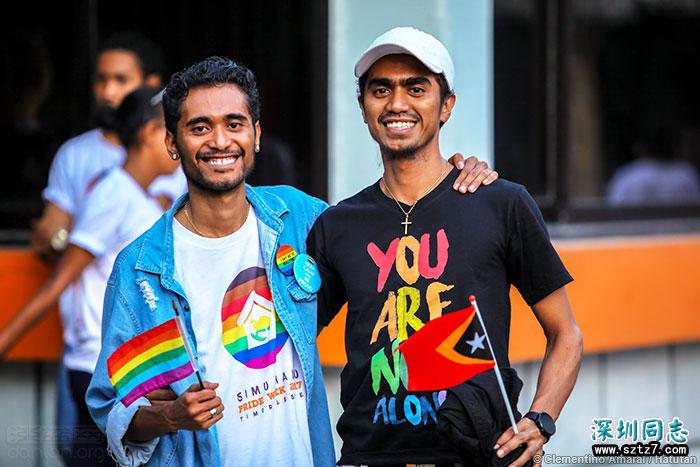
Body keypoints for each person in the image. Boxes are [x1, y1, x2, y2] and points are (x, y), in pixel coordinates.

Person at [85, 56, 497, 467]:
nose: (220, 141)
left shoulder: (300, 218)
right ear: (172, 143)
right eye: (199, 127)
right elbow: (111, 409)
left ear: (256, 135)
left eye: (234, 124)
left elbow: (388, 230)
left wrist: (448, 178)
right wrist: (168, 418)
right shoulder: (140, 270)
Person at [307, 27, 584, 467]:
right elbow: (292, 341)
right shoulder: (337, 225)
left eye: (416, 88)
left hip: (480, 452)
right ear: (363, 108)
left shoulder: (501, 204)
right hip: (370, 457)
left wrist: (540, 419)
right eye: (381, 90)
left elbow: (566, 333)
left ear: (446, 106)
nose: (397, 103)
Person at [0, 86, 179, 465]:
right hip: (101, 369)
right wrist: (4, 343)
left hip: (128, 366)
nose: (180, 143)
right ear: (149, 134)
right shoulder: (113, 194)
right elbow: (59, 282)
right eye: (173, 131)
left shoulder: (139, 197)